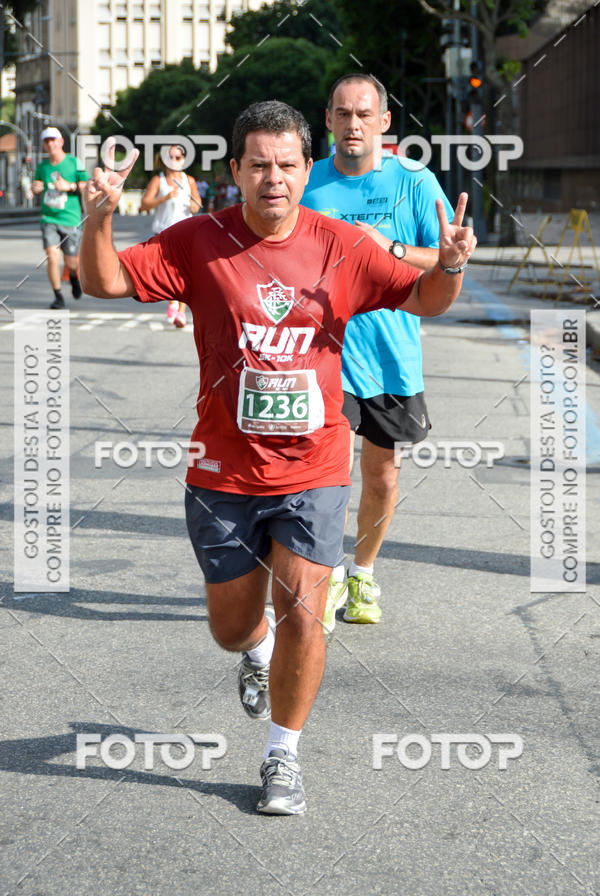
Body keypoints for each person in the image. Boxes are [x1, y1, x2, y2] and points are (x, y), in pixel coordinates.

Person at [80, 101, 475, 815]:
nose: (274, 178)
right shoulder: (199, 240)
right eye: (259, 165)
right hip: (223, 471)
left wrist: (447, 263)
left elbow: (426, 300)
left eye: (288, 165)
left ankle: (282, 755)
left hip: (313, 467)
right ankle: (253, 652)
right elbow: (105, 282)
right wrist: (99, 219)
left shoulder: (341, 244)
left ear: (305, 168)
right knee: (231, 626)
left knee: (303, 606)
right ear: (235, 171)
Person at [303, 74, 454, 629]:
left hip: (391, 356)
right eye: (343, 114)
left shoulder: (413, 181)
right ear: (328, 120)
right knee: (323, 474)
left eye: (364, 114)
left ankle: (361, 571)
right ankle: (321, 576)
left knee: (382, 476)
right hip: (321, 353)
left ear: (384, 122)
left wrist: (385, 246)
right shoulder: (306, 182)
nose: (353, 124)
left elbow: (444, 256)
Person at [140, 144, 202, 327]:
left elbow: (197, 203)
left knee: (185, 272)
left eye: (178, 157)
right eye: (171, 157)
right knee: (167, 273)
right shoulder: (158, 181)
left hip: (185, 233)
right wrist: (165, 198)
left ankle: (181, 312)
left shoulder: (189, 180)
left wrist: (194, 205)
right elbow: (144, 205)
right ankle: (173, 301)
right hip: (163, 233)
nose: (175, 160)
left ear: (184, 160)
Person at [31, 126, 88, 310]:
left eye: (53, 140)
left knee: (71, 262)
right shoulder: (43, 167)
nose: (50, 144)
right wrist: (35, 188)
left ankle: (74, 278)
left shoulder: (74, 162)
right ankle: (58, 296)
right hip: (49, 217)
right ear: (44, 145)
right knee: (52, 255)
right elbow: (37, 185)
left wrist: (69, 186)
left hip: (70, 219)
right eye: (46, 141)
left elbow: (87, 184)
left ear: (61, 142)